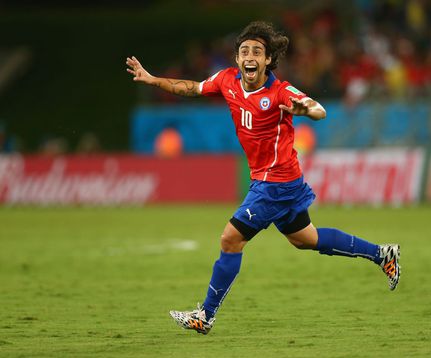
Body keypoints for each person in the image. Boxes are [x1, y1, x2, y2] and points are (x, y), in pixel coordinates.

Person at [126, 21, 401, 335]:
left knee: (230, 239)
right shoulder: (227, 80)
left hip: (276, 182)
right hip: (278, 180)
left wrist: (305, 108)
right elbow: (192, 88)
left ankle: (206, 314)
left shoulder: (280, 91)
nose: (250, 56)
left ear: (268, 60)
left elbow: (318, 109)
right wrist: (151, 79)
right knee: (305, 239)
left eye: (257, 51)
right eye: (244, 51)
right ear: (238, 59)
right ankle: (381, 254)